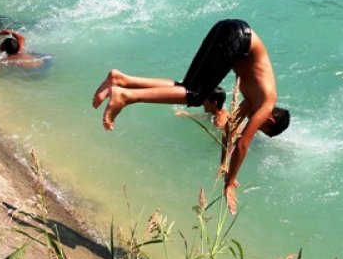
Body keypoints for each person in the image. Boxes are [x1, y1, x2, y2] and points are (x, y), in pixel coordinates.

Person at [92, 19, 289, 213]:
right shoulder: (267, 101)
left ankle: (121, 80)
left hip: (229, 28)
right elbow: (242, 144)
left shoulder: (253, 99)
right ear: (270, 120)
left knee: (189, 88)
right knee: (195, 96)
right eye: (263, 127)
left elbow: (230, 128)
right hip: (239, 39)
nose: (257, 126)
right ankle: (126, 96)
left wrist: (224, 163)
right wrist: (229, 184)